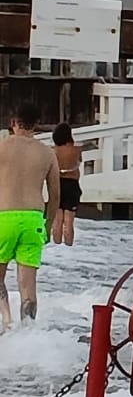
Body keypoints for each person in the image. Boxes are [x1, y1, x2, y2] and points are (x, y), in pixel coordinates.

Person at [0, 102, 60, 331]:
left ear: (13, 122)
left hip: (4, 217)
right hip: (34, 219)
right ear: (36, 124)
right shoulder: (47, 153)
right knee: (28, 287)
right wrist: (48, 225)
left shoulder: (2, 147)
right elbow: (55, 195)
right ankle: (28, 334)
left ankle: (6, 322)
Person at [51, 123, 82, 246]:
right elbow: (78, 163)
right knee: (69, 221)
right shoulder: (76, 150)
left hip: (57, 184)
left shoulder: (53, 151)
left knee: (57, 220)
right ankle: (69, 247)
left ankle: (57, 247)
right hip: (72, 185)